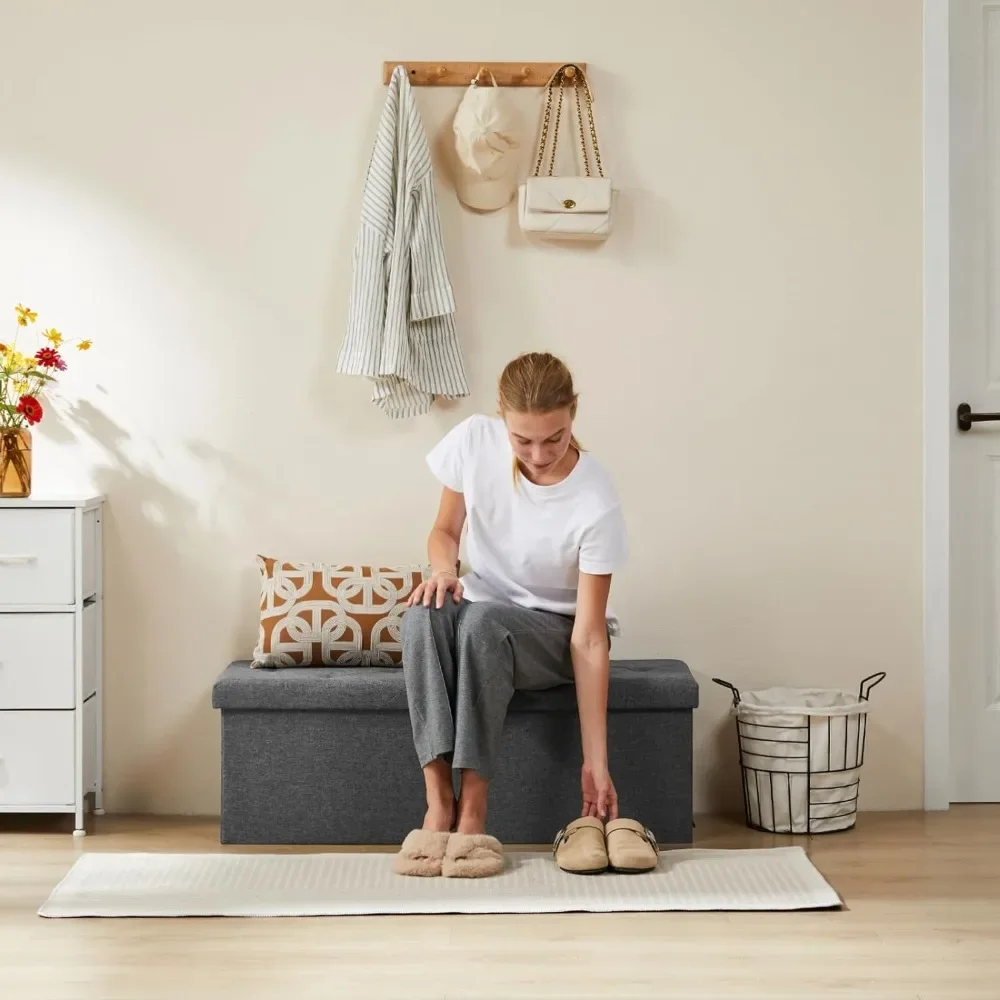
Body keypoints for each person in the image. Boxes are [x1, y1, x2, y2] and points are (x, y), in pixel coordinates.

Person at [399, 351, 628, 849]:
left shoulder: (595, 499)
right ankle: (439, 803)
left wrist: (596, 763)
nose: (539, 454)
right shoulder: (474, 440)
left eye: (555, 438)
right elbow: (443, 530)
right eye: (522, 440)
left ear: (573, 416)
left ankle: (474, 813)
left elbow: (589, 637)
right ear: (502, 418)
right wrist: (444, 571)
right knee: (421, 615)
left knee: (482, 624)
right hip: (484, 610)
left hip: (554, 632)